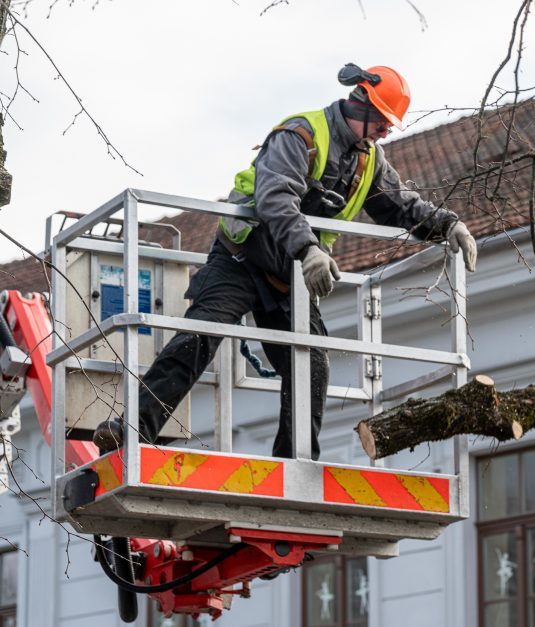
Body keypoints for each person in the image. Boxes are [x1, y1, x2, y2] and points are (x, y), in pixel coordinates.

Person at [93, 64, 477, 459]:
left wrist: (447, 226)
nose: (385, 131)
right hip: (243, 259)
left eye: (389, 125)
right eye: (381, 121)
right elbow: (276, 197)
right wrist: (309, 249)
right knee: (201, 334)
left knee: (312, 363)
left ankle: (294, 461)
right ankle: (134, 431)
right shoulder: (301, 135)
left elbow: (401, 207)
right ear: (359, 104)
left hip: (289, 274)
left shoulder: (369, 161)